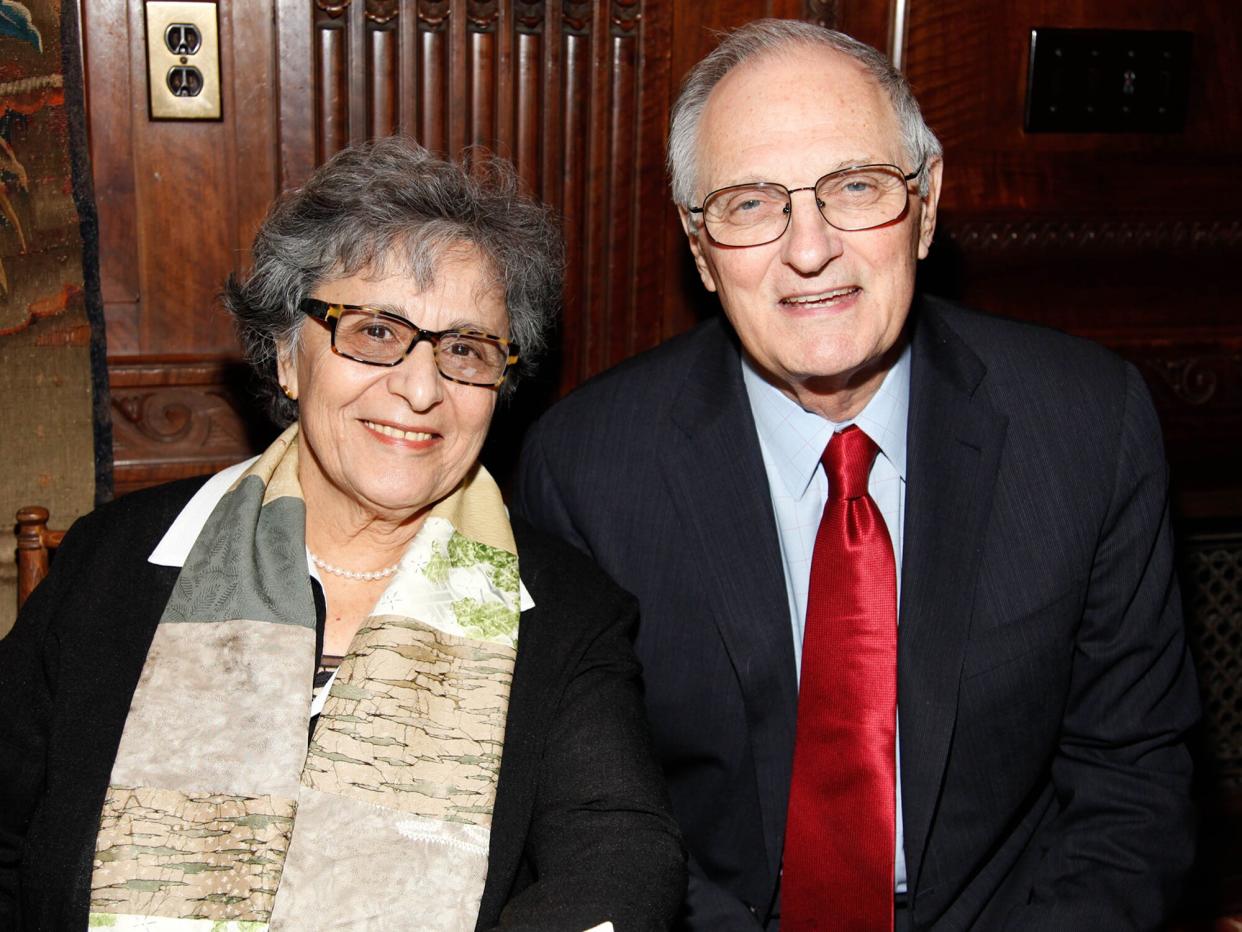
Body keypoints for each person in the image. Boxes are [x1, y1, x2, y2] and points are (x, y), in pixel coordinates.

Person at [514, 19, 1199, 931]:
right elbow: (600, 822)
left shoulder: (1087, 424)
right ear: (699, 246)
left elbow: (1132, 780)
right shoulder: (587, 470)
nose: (810, 249)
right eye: (751, 203)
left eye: (855, 187)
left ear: (926, 204)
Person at [0, 136, 685, 931]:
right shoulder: (113, 559)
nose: (421, 388)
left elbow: (623, 863)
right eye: (375, 332)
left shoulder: (570, 614)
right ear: (289, 355)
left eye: (465, 348)